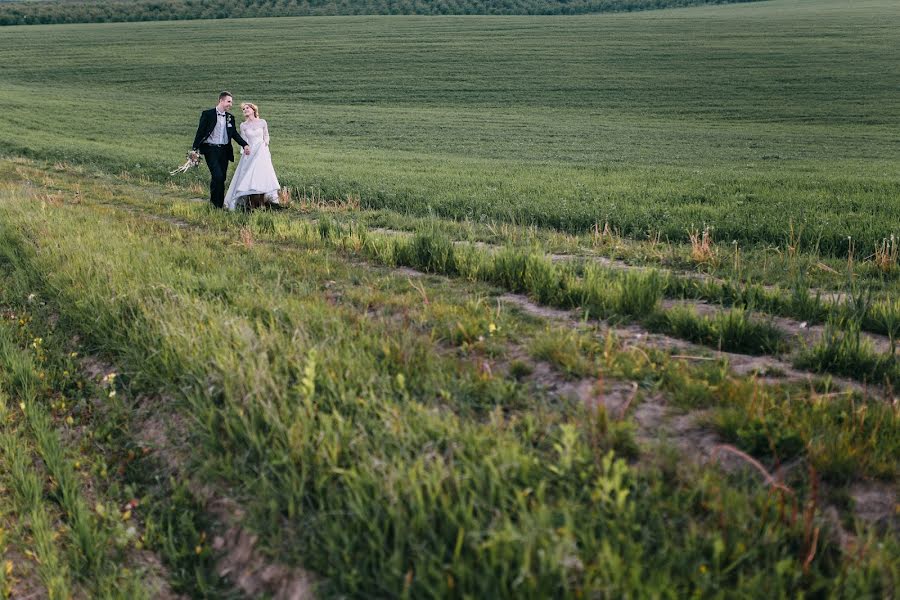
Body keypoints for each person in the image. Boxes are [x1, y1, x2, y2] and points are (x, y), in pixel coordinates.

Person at [192, 91, 251, 209]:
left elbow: (234, 134)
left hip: (224, 151)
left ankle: (219, 204)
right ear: (221, 101)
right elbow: (200, 131)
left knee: (222, 177)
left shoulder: (230, 117)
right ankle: (215, 204)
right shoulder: (207, 114)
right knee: (217, 175)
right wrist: (194, 149)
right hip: (211, 150)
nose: (231, 104)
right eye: (229, 101)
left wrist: (245, 144)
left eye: (231, 102)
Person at [223, 102, 282, 211]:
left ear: (253, 110)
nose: (245, 110)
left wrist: (265, 144)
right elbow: (243, 140)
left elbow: (266, 135)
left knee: (261, 175)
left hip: (261, 152)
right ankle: (251, 204)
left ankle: (263, 202)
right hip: (250, 153)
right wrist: (245, 151)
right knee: (249, 176)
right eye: (243, 109)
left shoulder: (262, 122)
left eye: (247, 108)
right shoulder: (243, 125)